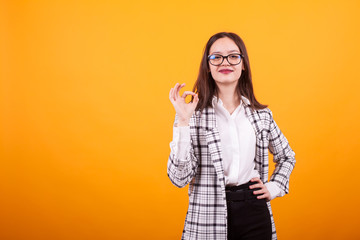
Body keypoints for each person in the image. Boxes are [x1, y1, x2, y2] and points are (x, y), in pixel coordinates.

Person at [167, 32, 296, 240]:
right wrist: (183, 121)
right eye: (216, 57)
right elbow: (179, 178)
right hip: (208, 213)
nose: (224, 62)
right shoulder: (192, 115)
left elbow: (287, 156)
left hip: (254, 210)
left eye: (233, 56)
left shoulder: (261, 115)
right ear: (207, 66)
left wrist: (274, 187)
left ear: (243, 64)